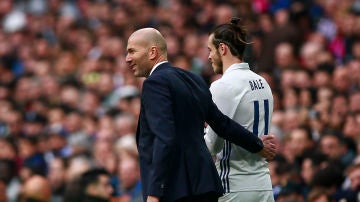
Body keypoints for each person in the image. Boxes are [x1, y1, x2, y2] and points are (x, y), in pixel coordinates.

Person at [125, 27, 276, 202]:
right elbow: (222, 123)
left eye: (131, 51)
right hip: (205, 186)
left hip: (175, 190)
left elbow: (164, 138)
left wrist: (155, 192)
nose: (127, 59)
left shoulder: (154, 83)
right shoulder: (192, 78)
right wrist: (257, 144)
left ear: (152, 52)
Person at [204, 17, 275, 202]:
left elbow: (212, 145)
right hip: (264, 185)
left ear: (222, 48)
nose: (209, 56)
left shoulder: (222, 86)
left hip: (234, 186)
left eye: (210, 50)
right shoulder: (263, 82)